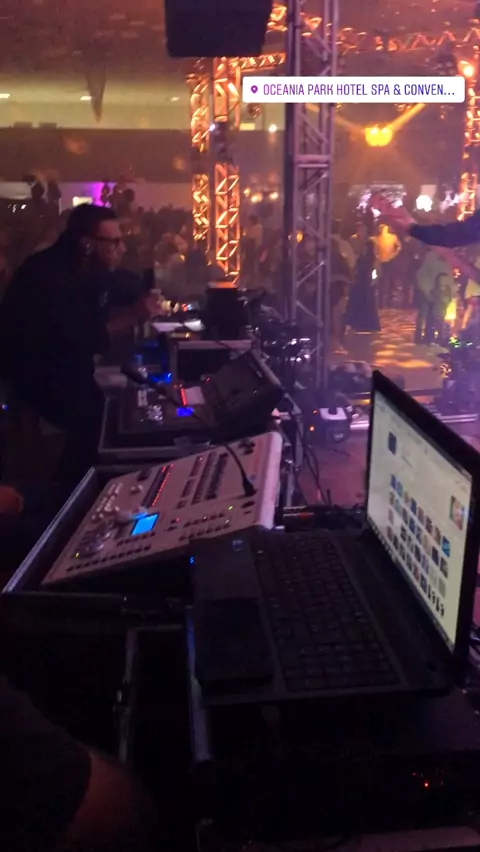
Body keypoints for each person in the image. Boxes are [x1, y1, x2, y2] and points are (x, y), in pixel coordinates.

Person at [0, 205, 154, 483]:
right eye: (114, 242)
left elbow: (119, 283)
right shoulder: (49, 278)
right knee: (77, 456)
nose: (121, 249)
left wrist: (145, 288)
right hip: (42, 395)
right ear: (86, 244)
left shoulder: (83, 268)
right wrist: (133, 317)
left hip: (64, 384)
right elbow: (82, 337)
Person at [344, 238, 381, 333]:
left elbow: (376, 271)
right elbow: (355, 269)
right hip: (359, 283)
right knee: (358, 303)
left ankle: (366, 324)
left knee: (367, 303)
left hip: (366, 283)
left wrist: (373, 281)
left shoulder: (373, 259)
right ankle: (357, 323)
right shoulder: (359, 258)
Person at [373, 223, 401, 307]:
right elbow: (375, 250)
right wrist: (377, 257)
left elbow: (399, 247)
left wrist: (393, 255)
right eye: (380, 227)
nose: (382, 228)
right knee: (381, 281)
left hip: (390, 262)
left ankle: (388, 300)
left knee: (390, 280)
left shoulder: (393, 237)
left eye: (383, 226)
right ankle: (381, 301)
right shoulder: (377, 239)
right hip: (381, 262)